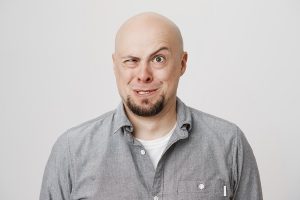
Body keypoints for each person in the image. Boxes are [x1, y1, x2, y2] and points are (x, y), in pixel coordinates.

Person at [40, 12, 263, 200]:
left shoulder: (229, 144)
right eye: (131, 60)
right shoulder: (71, 151)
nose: (143, 75)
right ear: (116, 66)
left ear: (182, 64)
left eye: (158, 59)